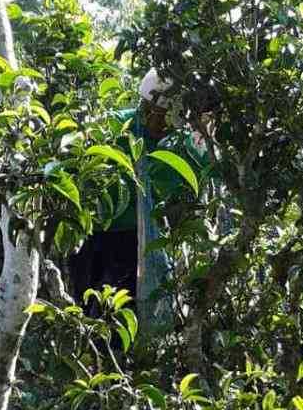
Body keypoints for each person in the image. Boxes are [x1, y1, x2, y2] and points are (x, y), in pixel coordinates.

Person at [69, 69, 207, 328]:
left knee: (128, 316)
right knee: (89, 311)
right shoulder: (114, 127)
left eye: (168, 118)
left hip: (137, 243)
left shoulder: (178, 146)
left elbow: (203, 171)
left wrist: (204, 135)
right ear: (146, 106)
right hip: (94, 238)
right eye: (157, 114)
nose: (162, 124)